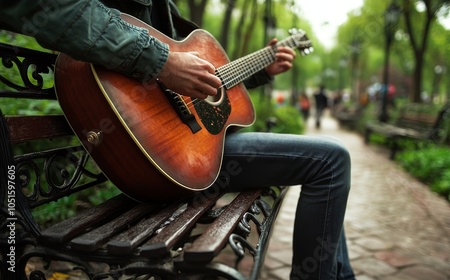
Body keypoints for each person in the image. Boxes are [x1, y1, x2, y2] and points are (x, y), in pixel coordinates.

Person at [0, 1, 355, 279]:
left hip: (187, 146)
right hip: (166, 154)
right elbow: (49, 8)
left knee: (330, 163)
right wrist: (163, 62)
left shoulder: (165, 9)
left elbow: (204, 77)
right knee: (331, 161)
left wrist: (262, 68)